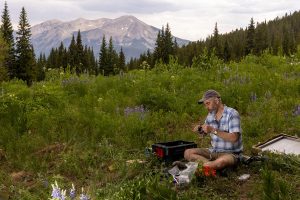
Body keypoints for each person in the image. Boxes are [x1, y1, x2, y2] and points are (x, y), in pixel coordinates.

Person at [184, 89, 243, 170]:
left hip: (231, 153)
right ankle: (210, 166)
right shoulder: (210, 115)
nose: (206, 107)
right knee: (188, 153)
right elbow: (205, 132)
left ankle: (201, 166)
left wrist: (213, 130)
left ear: (217, 100)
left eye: (208, 103)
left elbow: (234, 138)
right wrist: (200, 130)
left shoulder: (232, 114)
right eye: (205, 105)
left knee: (221, 161)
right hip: (214, 151)